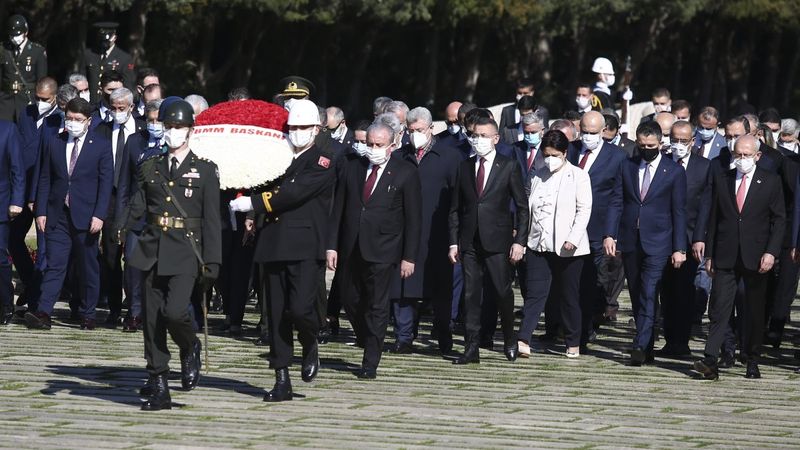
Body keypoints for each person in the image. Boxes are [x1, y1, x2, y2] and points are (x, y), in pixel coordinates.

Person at [229, 99, 334, 402]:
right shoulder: (276, 157)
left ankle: (310, 340)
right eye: (293, 127)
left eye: (303, 127)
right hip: (273, 242)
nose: (297, 132)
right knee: (274, 314)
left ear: (316, 129)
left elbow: (293, 192)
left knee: (301, 309)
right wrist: (251, 210)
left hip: (303, 244)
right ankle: (281, 377)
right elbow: (258, 180)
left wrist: (253, 204)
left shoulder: (322, 160)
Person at [123, 99, 221, 410]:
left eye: (179, 127)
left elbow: (212, 221)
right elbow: (138, 203)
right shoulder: (151, 165)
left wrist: (213, 261)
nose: (173, 132)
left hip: (185, 250)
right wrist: (120, 228)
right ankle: (159, 382)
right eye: (169, 127)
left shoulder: (204, 170)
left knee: (176, 311)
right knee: (151, 320)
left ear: (190, 131)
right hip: (152, 248)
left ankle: (190, 345)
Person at [328, 122, 422, 378]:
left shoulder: (405, 172)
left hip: (384, 249)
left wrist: (409, 256)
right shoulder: (353, 167)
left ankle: (370, 361)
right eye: (369, 144)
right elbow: (339, 208)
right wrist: (331, 246)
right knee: (349, 298)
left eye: (378, 145)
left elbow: (414, 218)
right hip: (350, 247)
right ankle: (366, 335)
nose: (372, 149)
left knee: (377, 305)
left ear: (392, 146)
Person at [694, 135, 784, 380]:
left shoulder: (770, 181)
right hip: (725, 254)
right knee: (719, 308)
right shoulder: (723, 179)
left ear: (757, 156)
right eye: (737, 155)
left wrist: (771, 252)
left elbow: (779, 220)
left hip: (756, 256)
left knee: (753, 310)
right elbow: (714, 218)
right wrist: (710, 254)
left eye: (746, 155)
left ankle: (752, 359)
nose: (741, 160)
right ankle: (711, 358)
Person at [25, 98, 113, 331]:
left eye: (78, 120)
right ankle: (43, 311)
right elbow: (46, 178)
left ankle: (88, 313)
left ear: (88, 121)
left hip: (86, 216)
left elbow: (105, 184)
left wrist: (99, 215)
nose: (73, 123)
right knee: (55, 264)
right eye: (69, 119)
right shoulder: (55, 141)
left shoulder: (101, 145)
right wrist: (41, 211)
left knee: (87, 266)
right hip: (58, 214)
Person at [448, 116, 528, 364]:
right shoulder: (464, 167)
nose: (478, 140)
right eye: (475, 135)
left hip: (498, 239)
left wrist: (520, 241)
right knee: (471, 294)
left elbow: (522, 207)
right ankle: (471, 347)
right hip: (470, 241)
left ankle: (509, 338)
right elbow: (455, 208)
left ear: (495, 139)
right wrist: (454, 242)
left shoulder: (508, 165)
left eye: (484, 136)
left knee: (502, 291)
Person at [606, 120, 687, 365]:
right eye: (641, 145)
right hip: (631, 240)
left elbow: (679, 212)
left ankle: (639, 345)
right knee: (636, 292)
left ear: (660, 144)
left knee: (649, 292)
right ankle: (647, 344)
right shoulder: (627, 166)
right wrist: (610, 234)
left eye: (651, 145)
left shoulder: (673, 171)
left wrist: (679, 247)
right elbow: (617, 201)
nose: (646, 149)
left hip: (659, 241)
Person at [389, 107, 459, 355]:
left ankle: (443, 334)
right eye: (410, 130)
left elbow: (457, 199)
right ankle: (403, 336)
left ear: (431, 128)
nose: (414, 135)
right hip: (404, 232)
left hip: (437, 232)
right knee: (403, 287)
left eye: (419, 130)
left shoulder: (449, 157)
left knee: (440, 288)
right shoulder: (399, 156)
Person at [516, 130, 591, 358]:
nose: (550, 159)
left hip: (568, 247)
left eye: (555, 154)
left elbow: (584, 209)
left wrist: (573, 237)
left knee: (569, 295)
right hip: (538, 244)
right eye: (546, 154)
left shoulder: (578, 176)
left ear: (565, 153)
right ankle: (523, 338)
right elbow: (529, 208)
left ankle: (572, 341)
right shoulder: (537, 175)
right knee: (535, 293)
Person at [567, 111, 627, 344]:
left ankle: (586, 327)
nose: (588, 137)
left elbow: (617, 198)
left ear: (603, 132)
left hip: (597, 228)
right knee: (571, 280)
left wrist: (611, 233)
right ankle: (571, 325)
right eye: (584, 132)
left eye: (593, 133)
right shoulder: (570, 150)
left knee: (594, 279)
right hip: (569, 227)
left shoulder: (618, 157)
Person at [659, 120, 711, 356]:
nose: (678, 145)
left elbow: (705, 206)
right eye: (674, 139)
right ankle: (669, 339)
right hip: (661, 236)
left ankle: (682, 341)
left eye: (683, 140)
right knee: (665, 291)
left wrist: (699, 237)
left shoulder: (704, 167)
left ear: (692, 142)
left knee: (684, 291)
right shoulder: (662, 161)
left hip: (690, 239)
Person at [100, 87, 147, 327]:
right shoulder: (102, 129)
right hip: (108, 200)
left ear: (131, 107)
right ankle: (114, 307)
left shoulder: (142, 131)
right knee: (110, 256)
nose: (117, 113)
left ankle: (134, 307)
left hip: (133, 200)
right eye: (113, 108)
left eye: (122, 108)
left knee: (133, 257)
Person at [0, 117, 25, 323]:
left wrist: (17, 200)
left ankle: (5, 303)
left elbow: (17, 168)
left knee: (0, 256)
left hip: (1, 202)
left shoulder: (8, 130)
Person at [0, 15, 47, 122]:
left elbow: (41, 80)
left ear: (26, 32)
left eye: (18, 35)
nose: (14, 39)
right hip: (5, 101)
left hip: (27, 99)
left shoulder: (37, 51)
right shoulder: (3, 49)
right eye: (12, 36)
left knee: (25, 134)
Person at [79, 22, 135, 103]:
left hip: (113, 102)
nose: (104, 43)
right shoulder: (88, 55)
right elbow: (82, 78)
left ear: (114, 37)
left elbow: (128, 84)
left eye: (107, 41)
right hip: (91, 101)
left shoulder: (124, 58)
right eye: (102, 40)